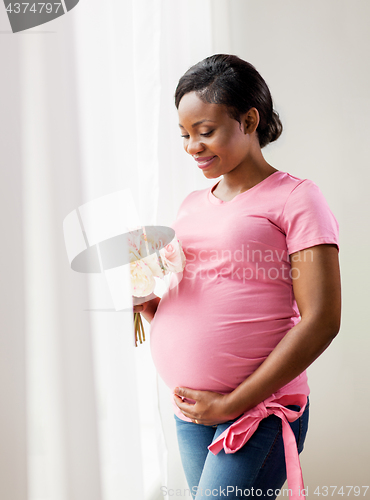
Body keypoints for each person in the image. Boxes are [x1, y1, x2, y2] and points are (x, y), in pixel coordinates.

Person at [134, 54, 341, 499]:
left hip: (256, 411)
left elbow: (322, 319)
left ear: (249, 120)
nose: (192, 146)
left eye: (205, 132)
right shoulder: (191, 203)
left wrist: (231, 403)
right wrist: (151, 307)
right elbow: (210, 298)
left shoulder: (297, 199)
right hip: (191, 409)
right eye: (185, 135)